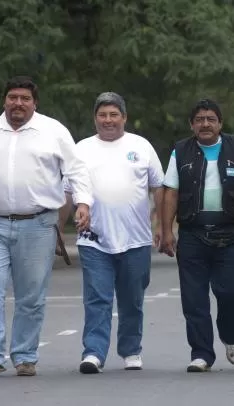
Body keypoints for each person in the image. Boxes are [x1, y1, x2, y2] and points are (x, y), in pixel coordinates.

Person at [0, 76, 92, 378]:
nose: (18, 103)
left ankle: (24, 356)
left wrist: (84, 203)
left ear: (34, 103)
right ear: (4, 101)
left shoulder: (53, 131)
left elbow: (76, 170)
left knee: (31, 295)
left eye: (24, 98)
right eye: (12, 97)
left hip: (37, 224)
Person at [67, 92, 165, 374]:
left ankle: (131, 350)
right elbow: (68, 190)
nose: (108, 120)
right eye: (102, 115)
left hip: (136, 239)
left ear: (124, 117)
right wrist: (57, 230)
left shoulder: (141, 146)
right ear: (94, 118)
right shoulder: (81, 149)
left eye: (113, 115)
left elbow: (158, 187)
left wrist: (161, 225)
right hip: (94, 239)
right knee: (97, 297)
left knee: (132, 298)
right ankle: (93, 352)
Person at [161, 99, 234, 372]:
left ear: (220, 123)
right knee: (194, 299)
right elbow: (171, 192)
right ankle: (201, 354)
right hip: (192, 235)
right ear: (192, 125)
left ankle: (231, 336)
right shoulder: (181, 150)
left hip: (230, 235)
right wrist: (167, 231)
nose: (205, 124)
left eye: (211, 119)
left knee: (233, 293)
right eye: (199, 119)